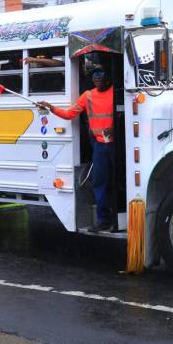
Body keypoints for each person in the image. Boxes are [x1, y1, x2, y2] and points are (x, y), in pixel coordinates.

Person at [37, 67, 114, 232]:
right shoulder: (88, 96)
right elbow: (68, 114)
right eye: (95, 75)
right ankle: (105, 220)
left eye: (101, 75)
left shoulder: (116, 92)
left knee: (116, 182)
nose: (97, 78)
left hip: (118, 144)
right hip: (101, 145)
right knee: (100, 182)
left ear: (108, 78)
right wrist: (50, 107)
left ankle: (115, 218)